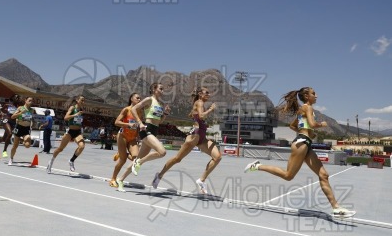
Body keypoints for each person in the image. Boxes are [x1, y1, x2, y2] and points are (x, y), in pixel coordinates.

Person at [244, 87, 356, 218]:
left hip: (306, 143)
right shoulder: (307, 107)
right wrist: (321, 125)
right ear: (307, 96)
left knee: (323, 175)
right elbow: (313, 124)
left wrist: (306, 130)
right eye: (314, 94)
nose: (317, 96)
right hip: (301, 144)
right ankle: (257, 166)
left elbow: (292, 126)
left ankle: (336, 208)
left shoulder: (303, 109)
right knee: (288, 176)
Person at [151, 87, 221, 194]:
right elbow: (201, 116)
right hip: (195, 136)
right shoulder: (199, 102)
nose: (209, 95)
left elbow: (198, 116)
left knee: (217, 157)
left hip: (202, 137)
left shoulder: (199, 103)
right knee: (177, 159)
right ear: (200, 94)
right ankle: (159, 175)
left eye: (209, 93)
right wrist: (211, 109)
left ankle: (201, 180)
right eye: (206, 93)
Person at [130, 83, 171, 177]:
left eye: (163, 89)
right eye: (161, 89)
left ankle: (121, 179)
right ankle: (139, 162)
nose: (162, 91)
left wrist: (165, 113)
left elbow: (159, 121)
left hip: (155, 130)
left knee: (140, 157)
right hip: (147, 128)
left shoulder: (160, 104)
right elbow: (133, 109)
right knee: (162, 152)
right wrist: (140, 123)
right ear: (153, 89)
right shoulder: (149, 99)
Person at [109, 93, 143, 192]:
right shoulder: (126, 110)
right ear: (131, 99)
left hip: (132, 138)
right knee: (123, 160)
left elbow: (138, 126)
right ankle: (113, 179)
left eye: (140, 98)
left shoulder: (140, 112)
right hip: (123, 136)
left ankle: (121, 153)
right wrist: (128, 124)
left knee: (136, 158)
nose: (139, 99)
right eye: (137, 98)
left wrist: (138, 137)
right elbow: (116, 122)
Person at [47, 95, 86, 174]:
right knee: (60, 149)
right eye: (82, 100)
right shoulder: (72, 108)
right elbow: (66, 117)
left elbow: (79, 121)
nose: (83, 102)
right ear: (77, 100)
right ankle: (51, 162)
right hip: (70, 131)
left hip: (77, 132)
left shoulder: (82, 110)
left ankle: (71, 161)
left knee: (82, 146)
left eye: (84, 100)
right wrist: (75, 115)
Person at [9, 97, 34, 165]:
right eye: (29, 100)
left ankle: (21, 140)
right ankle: (11, 159)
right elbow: (12, 117)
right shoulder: (20, 108)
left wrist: (32, 123)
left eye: (32, 101)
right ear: (25, 101)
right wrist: (20, 113)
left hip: (26, 128)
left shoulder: (32, 110)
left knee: (28, 145)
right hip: (19, 127)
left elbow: (31, 119)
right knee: (15, 146)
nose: (31, 102)